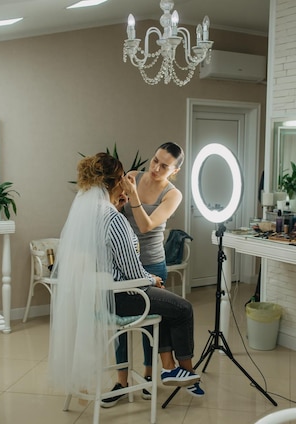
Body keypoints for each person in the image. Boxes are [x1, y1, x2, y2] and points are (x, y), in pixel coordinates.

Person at [48, 152, 201, 404]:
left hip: (102, 297)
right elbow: (131, 272)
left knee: (168, 305)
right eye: (121, 178)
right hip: (127, 296)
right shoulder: (114, 219)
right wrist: (152, 279)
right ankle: (184, 370)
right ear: (114, 182)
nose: (125, 182)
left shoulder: (88, 216)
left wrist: (149, 278)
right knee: (182, 308)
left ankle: (172, 368)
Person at [108, 142, 201, 405]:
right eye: (155, 160)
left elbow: (146, 226)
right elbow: (114, 216)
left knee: (151, 324)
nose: (156, 168)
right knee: (122, 326)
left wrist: (134, 197)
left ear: (175, 170)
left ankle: (149, 377)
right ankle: (121, 381)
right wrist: (121, 202)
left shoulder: (173, 195)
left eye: (164, 166)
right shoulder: (133, 177)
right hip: (123, 264)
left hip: (152, 266)